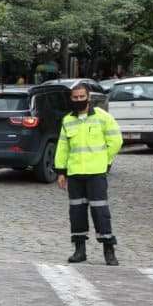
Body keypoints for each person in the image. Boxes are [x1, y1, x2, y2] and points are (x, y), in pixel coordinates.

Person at [54, 83, 123, 266]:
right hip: (75, 174)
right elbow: (63, 147)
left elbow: (116, 140)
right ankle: (79, 251)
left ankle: (109, 250)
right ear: (71, 98)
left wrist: (105, 161)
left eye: (81, 96)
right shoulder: (67, 120)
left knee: (100, 211)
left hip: (96, 173)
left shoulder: (103, 117)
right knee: (76, 212)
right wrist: (61, 172)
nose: (78, 100)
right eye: (75, 97)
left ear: (88, 97)